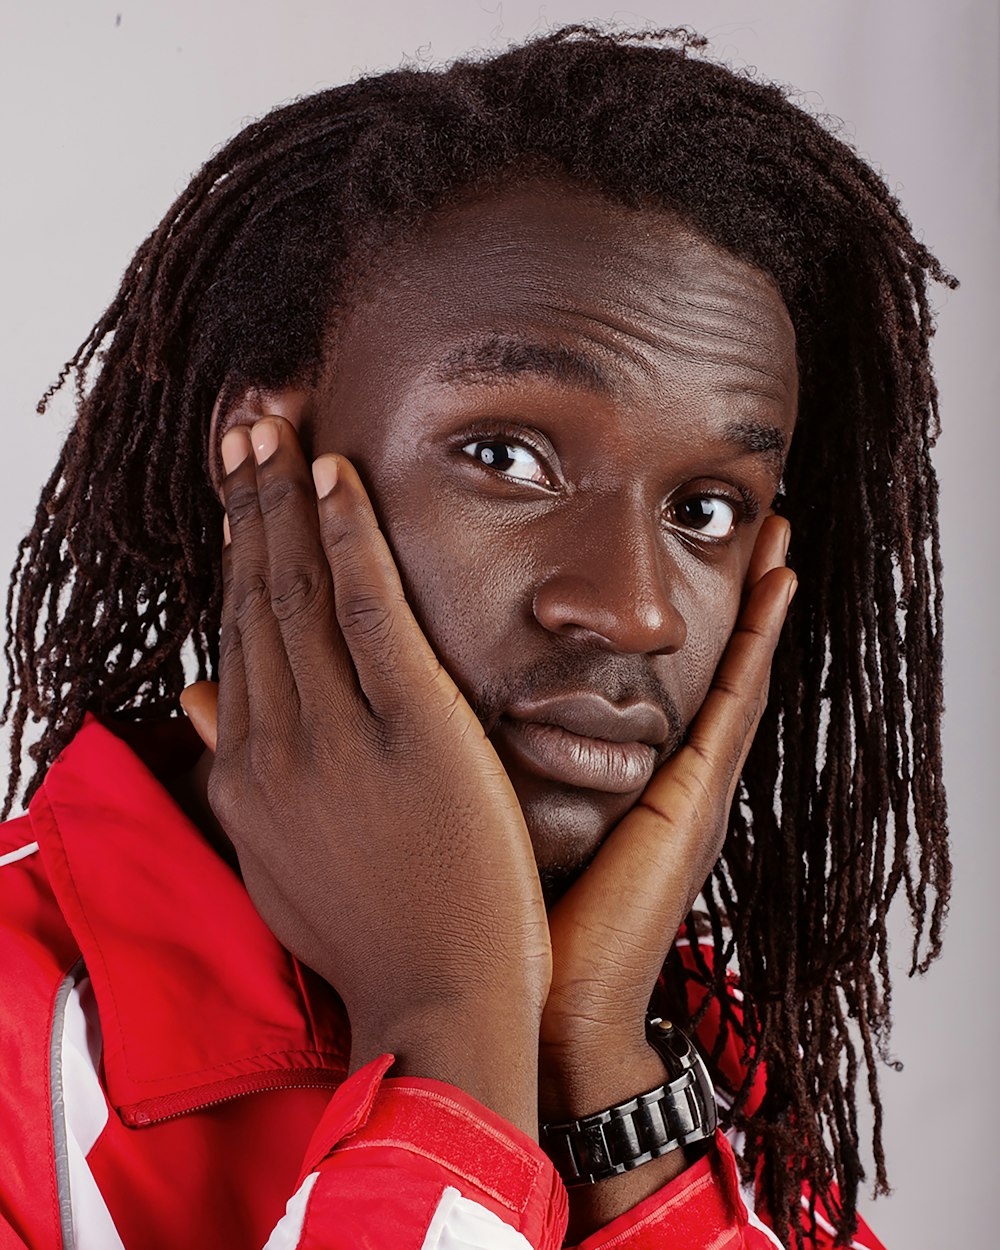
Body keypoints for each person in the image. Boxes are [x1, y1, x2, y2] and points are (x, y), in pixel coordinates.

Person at [0, 25, 952, 1250]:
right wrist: (446, 1036)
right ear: (262, 457)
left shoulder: (679, 1049)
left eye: (704, 511)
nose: (636, 610)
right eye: (506, 457)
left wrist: (599, 1077)